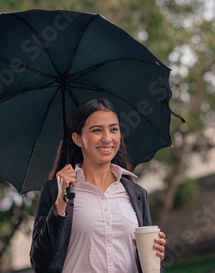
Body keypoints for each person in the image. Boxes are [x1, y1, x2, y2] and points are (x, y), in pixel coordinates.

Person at [30, 98, 166, 273]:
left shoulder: (137, 194)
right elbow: (39, 262)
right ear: (77, 139)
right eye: (97, 130)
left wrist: (153, 253)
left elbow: (149, 265)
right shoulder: (56, 190)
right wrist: (61, 201)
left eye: (114, 129)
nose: (107, 138)